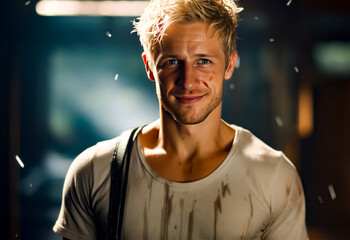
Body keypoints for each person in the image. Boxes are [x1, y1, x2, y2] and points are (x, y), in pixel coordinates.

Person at [53, 0, 308, 239]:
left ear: (230, 65)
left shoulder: (273, 176)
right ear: (150, 67)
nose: (188, 81)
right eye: (172, 61)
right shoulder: (94, 171)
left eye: (204, 61)